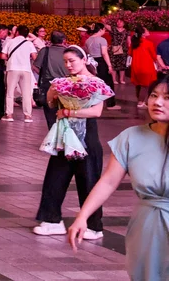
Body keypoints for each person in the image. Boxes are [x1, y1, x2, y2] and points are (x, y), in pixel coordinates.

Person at [68, 73, 169, 274]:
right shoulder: (131, 137)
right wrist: (83, 216)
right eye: (154, 95)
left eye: (167, 98)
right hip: (146, 228)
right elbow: (108, 181)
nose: (157, 102)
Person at [32, 44, 108, 240]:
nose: (68, 65)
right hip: (65, 137)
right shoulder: (64, 82)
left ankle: (93, 226)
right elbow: (50, 104)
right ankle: (51, 220)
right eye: (65, 62)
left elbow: (96, 112)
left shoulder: (95, 82)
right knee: (55, 177)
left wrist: (69, 112)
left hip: (87, 139)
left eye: (72, 61)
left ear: (83, 60)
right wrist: (52, 93)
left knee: (89, 181)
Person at [2, 24, 37, 122]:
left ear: (17, 32)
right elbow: (35, 57)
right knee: (26, 93)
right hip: (26, 69)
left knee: (10, 92)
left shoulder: (10, 42)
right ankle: (28, 116)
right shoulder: (29, 43)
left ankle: (9, 115)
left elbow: (3, 56)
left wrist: (11, 58)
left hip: (13, 68)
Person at [85, 23, 119, 110]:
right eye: (104, 29)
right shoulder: (102, 40)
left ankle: (93, 103)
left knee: (94, 82)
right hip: (101, 62)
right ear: (100, 30)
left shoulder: (88, 40)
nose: (105, 31)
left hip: (91, 62)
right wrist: (109, 66)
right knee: (108, 83)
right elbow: (104, 53)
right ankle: (111, 104)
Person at [129, 25, 158, 107]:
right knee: (145, 86)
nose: (148, 31)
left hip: (135, 66)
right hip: (146, 66)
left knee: (138, 84)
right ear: (143, 34)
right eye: (146, 30)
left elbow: (130, 53)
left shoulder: (134, 43)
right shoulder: (148, 43)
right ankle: (141, 102)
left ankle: (139, 101)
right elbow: (154, 56)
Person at [109, 18, 129, 86]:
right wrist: (104, 22)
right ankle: (114, 80)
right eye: (117, 22)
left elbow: (129, 41)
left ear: (124, 23)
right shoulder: (113, 29)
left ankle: (121, 79)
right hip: (114, 49)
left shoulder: (126, 31)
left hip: (123, 49)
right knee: (114, 65)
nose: (119, 23)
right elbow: (106, 26)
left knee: (122, 66)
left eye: (120, 22)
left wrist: (130, 48)